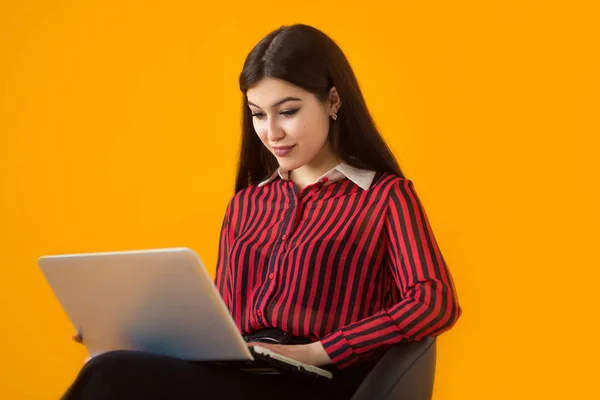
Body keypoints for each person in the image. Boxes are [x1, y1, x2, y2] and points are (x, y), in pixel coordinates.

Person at [62, 23, 461, 400]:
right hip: (245, 374)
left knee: (109, 376)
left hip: (318, 384)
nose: (272, 132)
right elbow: (224, 322)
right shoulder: (246, 204)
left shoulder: (384, 197)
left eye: (287, 111)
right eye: (258, 114)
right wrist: (131, 338)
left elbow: (434, 301)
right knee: (111, 364)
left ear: (333, 101)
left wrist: (317, 351)